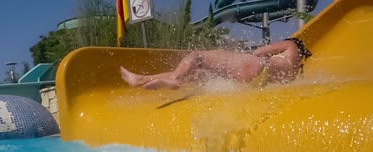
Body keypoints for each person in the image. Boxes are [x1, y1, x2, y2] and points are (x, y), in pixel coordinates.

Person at [120, 38, 312, 89]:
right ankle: (141, 79)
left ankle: (174, 79)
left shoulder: (291, 45)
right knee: (198, 76)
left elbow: (259, 52)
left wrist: (238, 56)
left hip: (256, 66)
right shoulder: (294, 70)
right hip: (255, 82)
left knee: (198, 58)